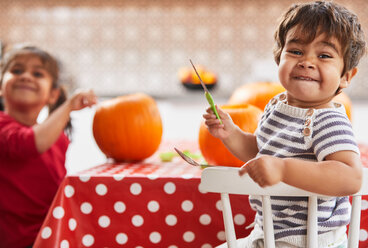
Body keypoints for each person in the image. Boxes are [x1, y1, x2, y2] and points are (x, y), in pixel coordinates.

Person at [203, 1, 366, 247]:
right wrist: (231, 134)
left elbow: (350, 177)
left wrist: (283, 169)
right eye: (296, 51)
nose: (307, 62)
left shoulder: (327, 119)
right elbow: (261, 151)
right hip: (269, 233)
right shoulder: (276, 106)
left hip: (309, 240)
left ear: (345, 76)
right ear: (279, 58)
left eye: (323, 55)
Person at [0, 45, 97, 248]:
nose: (26, 76)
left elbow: (59, 189)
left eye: (37, 73)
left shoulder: (59, 139)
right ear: (1, 86)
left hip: (53, 236)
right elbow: (28, 144)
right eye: (16, 70)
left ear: (53, 95)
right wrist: (69, 106)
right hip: (15, 242)